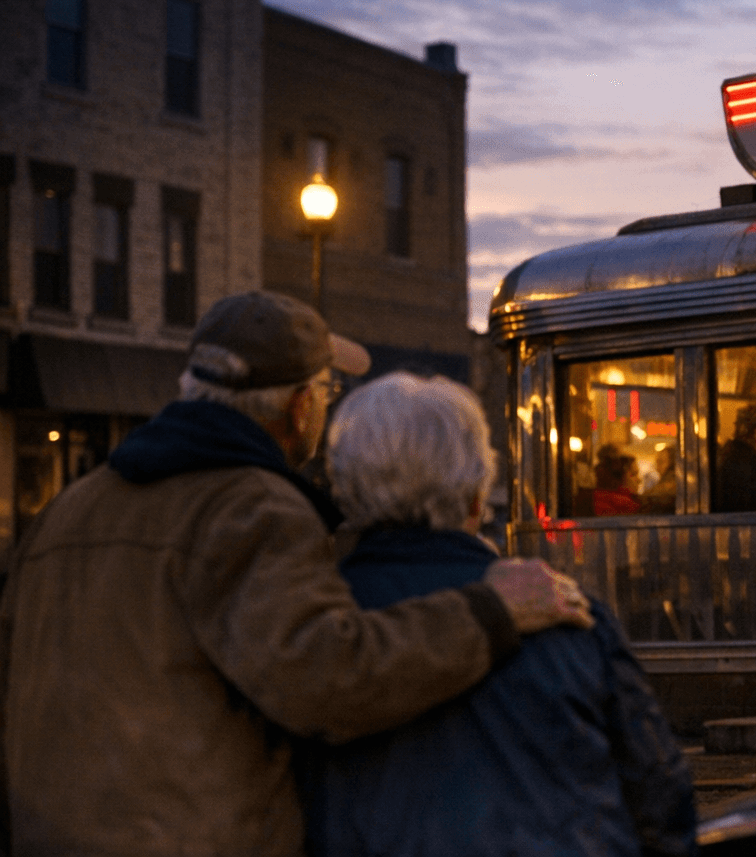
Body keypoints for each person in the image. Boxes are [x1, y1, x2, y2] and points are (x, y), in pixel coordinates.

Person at [0, 291, 593, 857]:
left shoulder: (71, 508)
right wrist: (493, 610)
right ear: (300, 406)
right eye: (327, 389)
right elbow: (329, 681)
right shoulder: (252, 508)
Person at [306, 373, 696, 857]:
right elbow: (658, 794)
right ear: (475, 495)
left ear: (344, 493)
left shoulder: (312, 626)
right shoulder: (567, 611)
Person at [593, 443, 643, 515]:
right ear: (619, 476)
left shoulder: (599, 499)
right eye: (633, 474)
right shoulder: (628, 507)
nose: (639, 480)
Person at [641, 445, 678, 514]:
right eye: (657, 462)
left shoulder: (670, 487)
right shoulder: (662, 485)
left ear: (673, 464)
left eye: (661, 462)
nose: (657, 468)